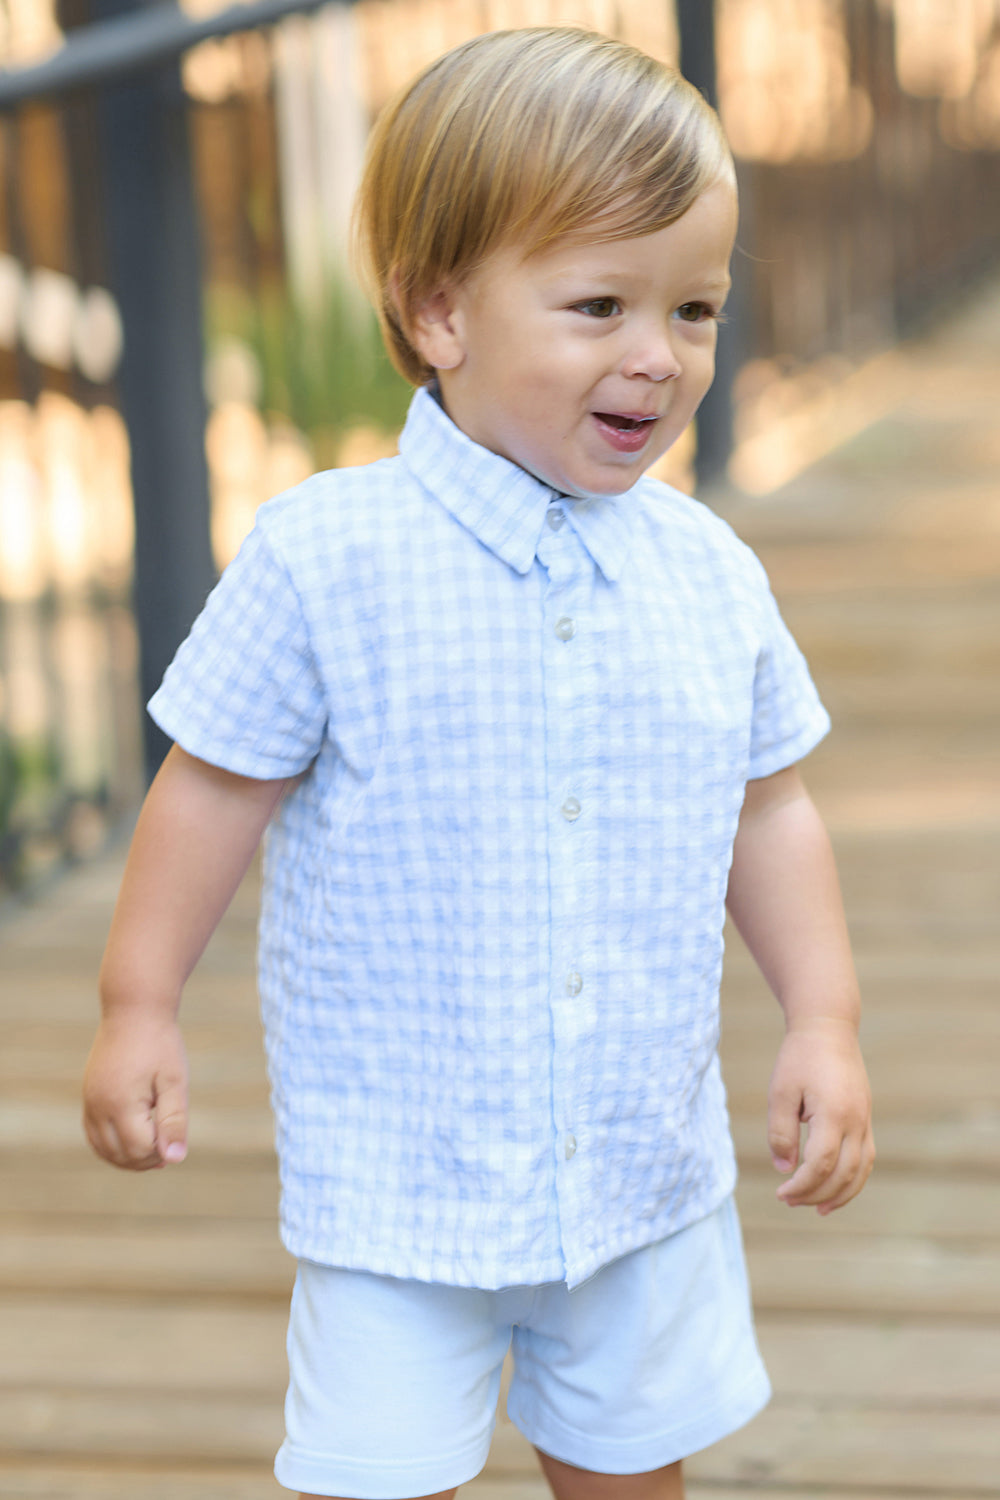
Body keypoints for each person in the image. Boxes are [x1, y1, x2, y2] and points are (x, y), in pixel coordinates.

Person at [83, 26, 874, 1500]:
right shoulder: (331, 558)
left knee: (634, 1467)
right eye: (598, 306)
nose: (659, 353)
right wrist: (140, 1005)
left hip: (637, 1166)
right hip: (402, 1178)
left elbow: (770, 804)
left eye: (695, 306)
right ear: (439, 311)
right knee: (380, 1477)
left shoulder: (708, 573)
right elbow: (212, 784)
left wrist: (821, 1020)